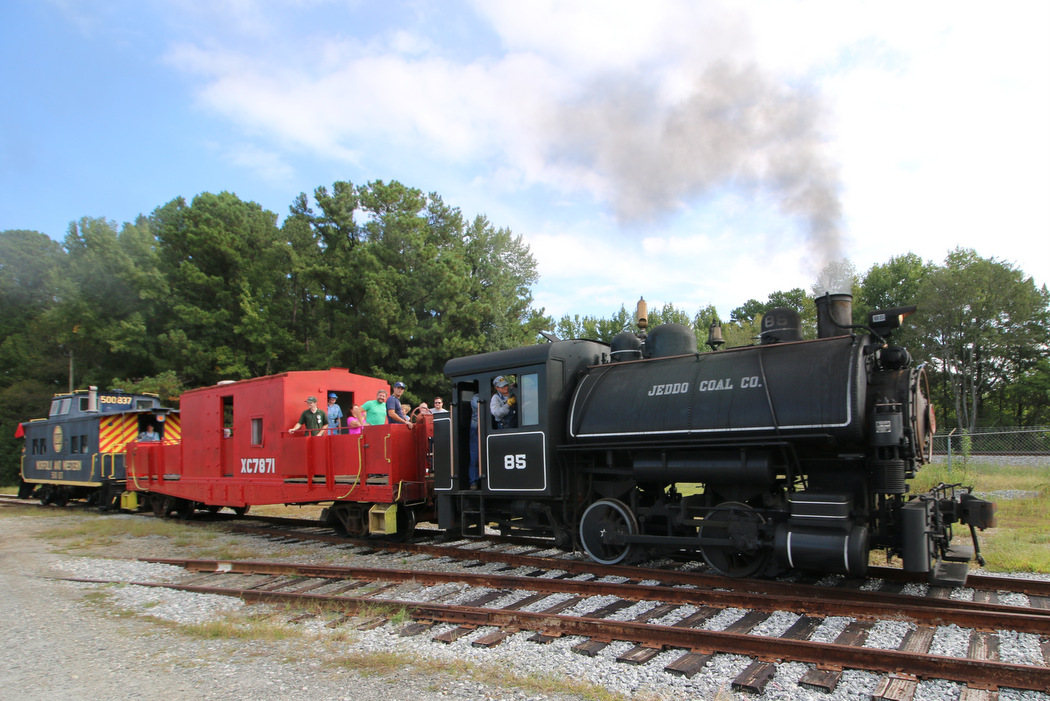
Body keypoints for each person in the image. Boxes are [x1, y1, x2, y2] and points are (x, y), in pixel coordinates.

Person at [467, 393, 480, 490]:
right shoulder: (476, 397)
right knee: (474, 456)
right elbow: (478, 408)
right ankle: (473, 481)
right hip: (476, 427)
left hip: (488, 426)